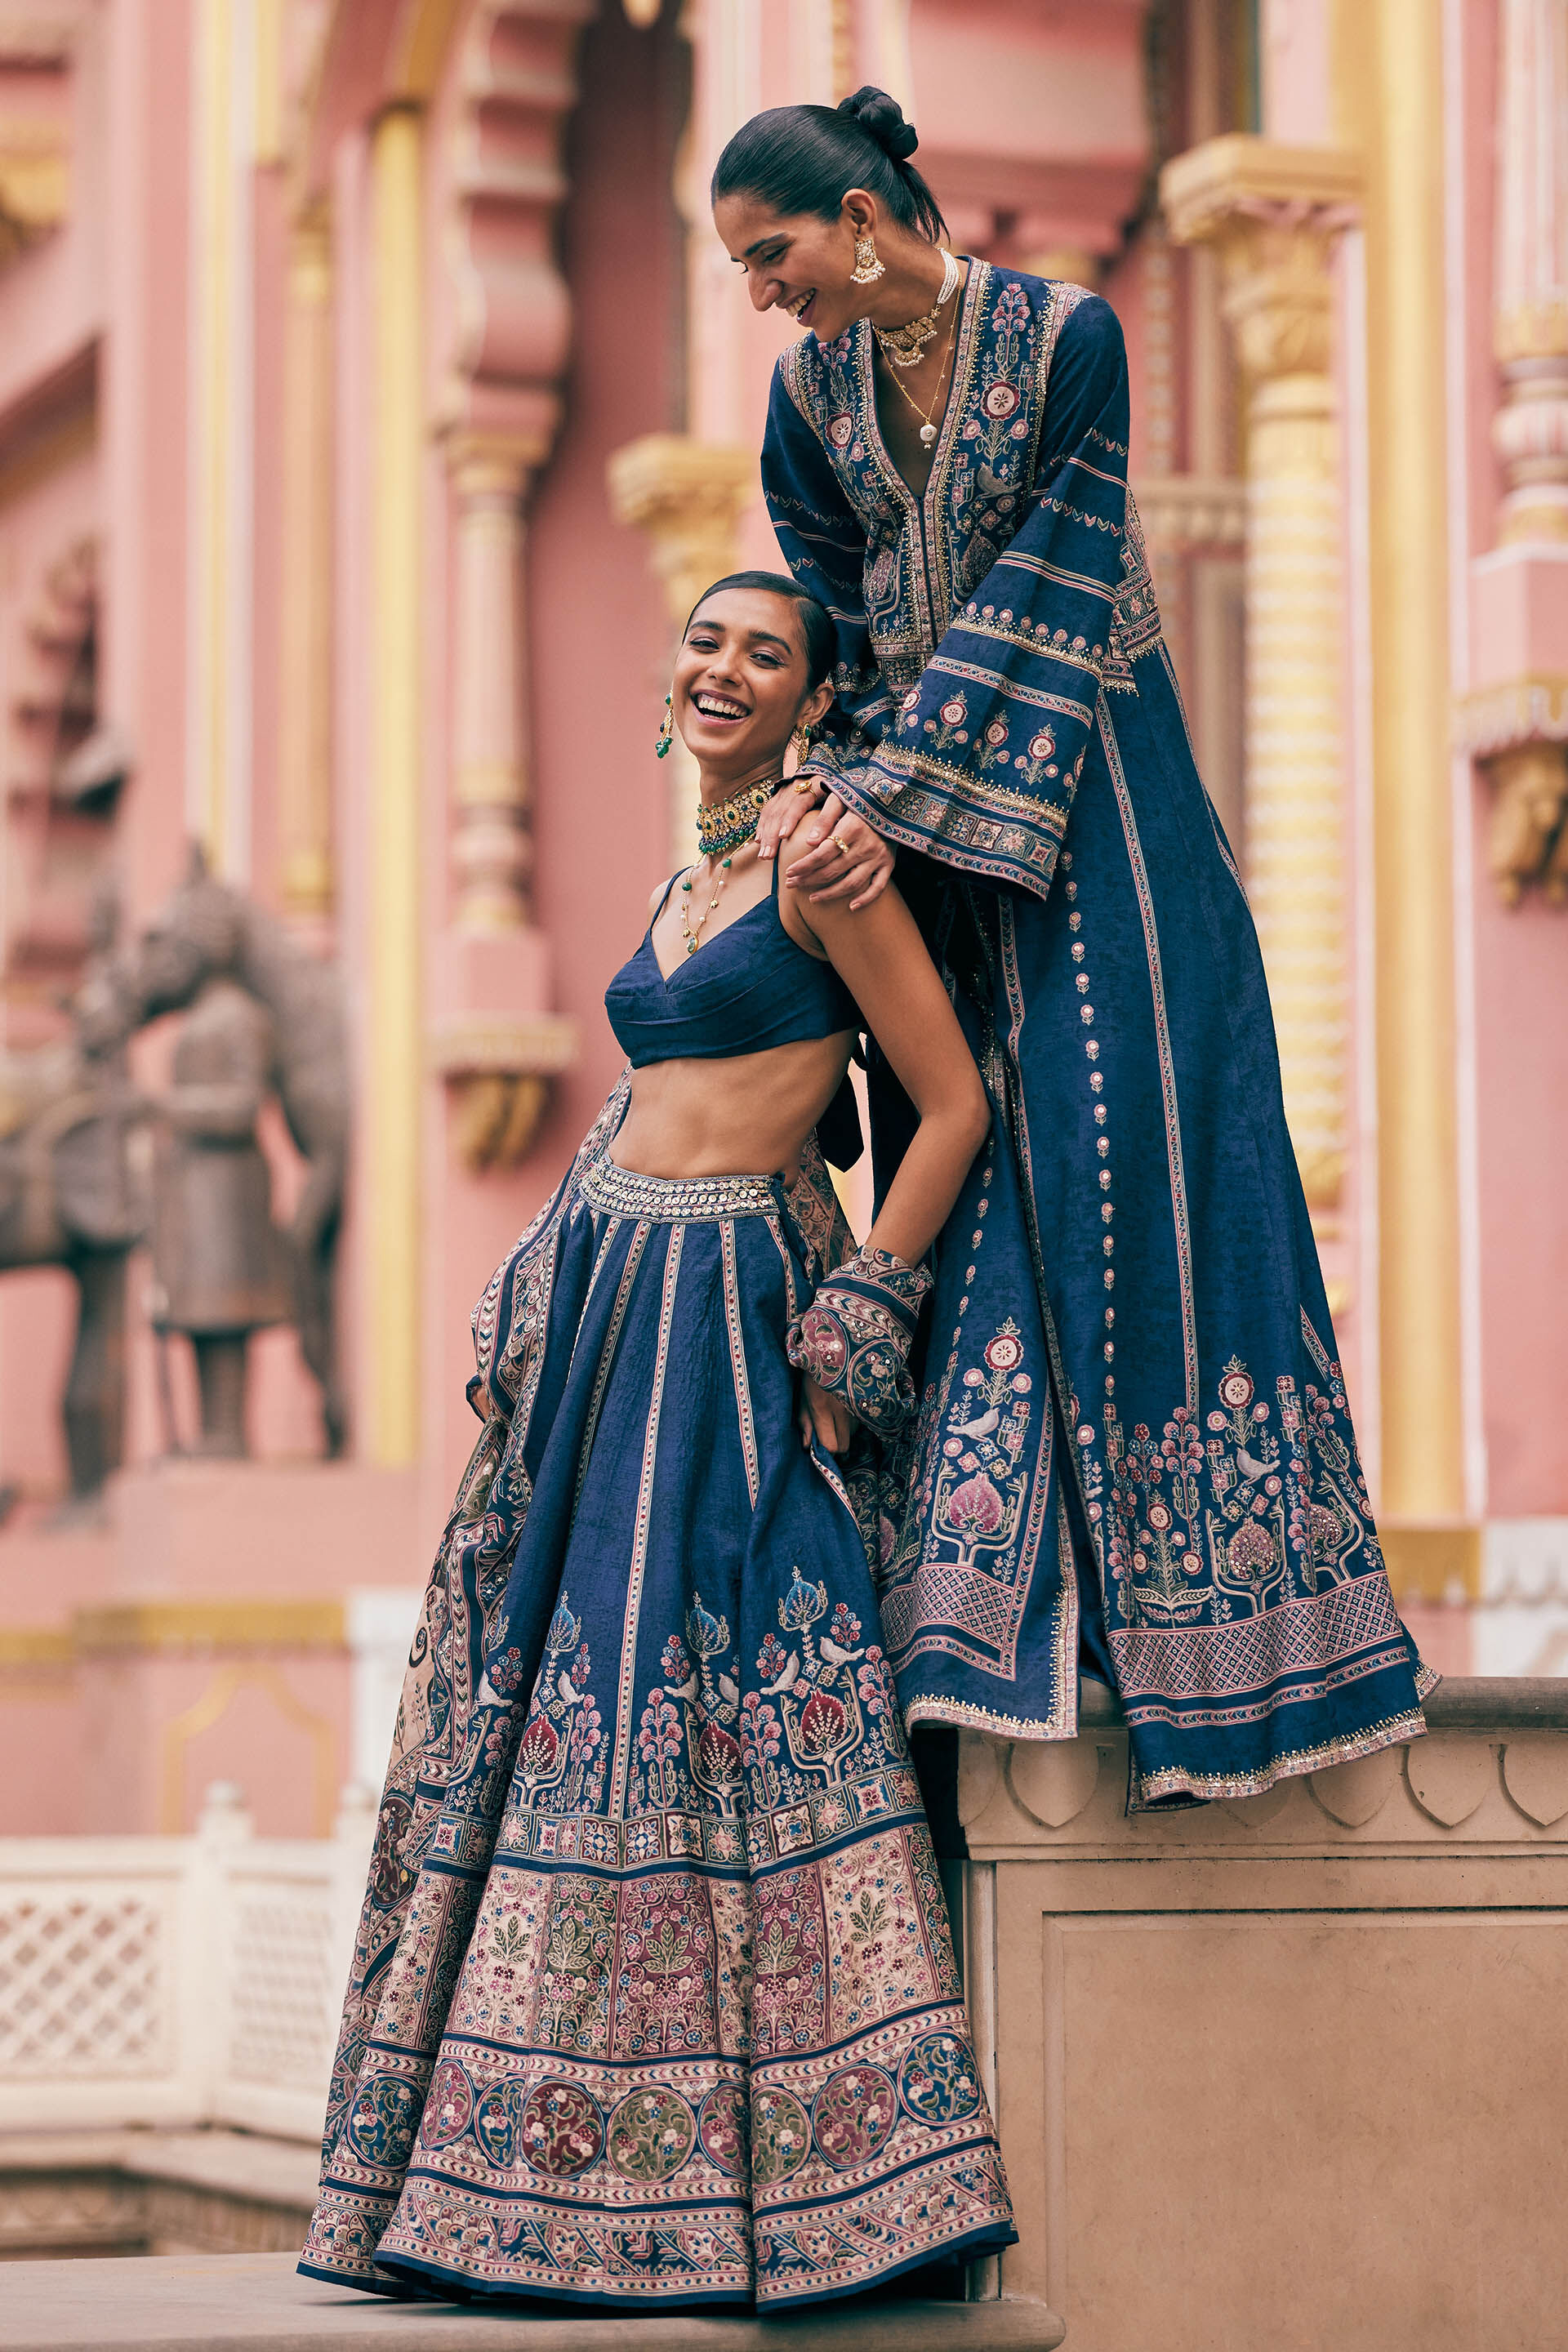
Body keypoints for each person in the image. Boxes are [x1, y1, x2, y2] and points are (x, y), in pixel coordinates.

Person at [711, 88, 1434, 1809]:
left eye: (773, 254)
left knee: (1133, 1165)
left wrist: (888, 786)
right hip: (928, 858)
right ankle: (987, 1614)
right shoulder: (807, 399)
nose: (764, 293)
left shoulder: (1065, 339)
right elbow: (822, 609)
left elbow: (1055, 576)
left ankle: (1209, 1634)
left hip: (1107, 817)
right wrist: (808, 787)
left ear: (866, 216)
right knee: (978, 1181)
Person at [299, 573, 1014, 2311]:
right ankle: (505, 2171)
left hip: (735, 1311)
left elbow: (951, 1104)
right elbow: (648, 1092)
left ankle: (777, 2193)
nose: (724, 670)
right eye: (707, 643)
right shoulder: (686, 875)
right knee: (541, 1689)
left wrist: (865, 1318)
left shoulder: (825, 868)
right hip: (613, 1306)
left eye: (765, 655)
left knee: (725, 1673)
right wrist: (538, 1267)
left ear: (813, 695)